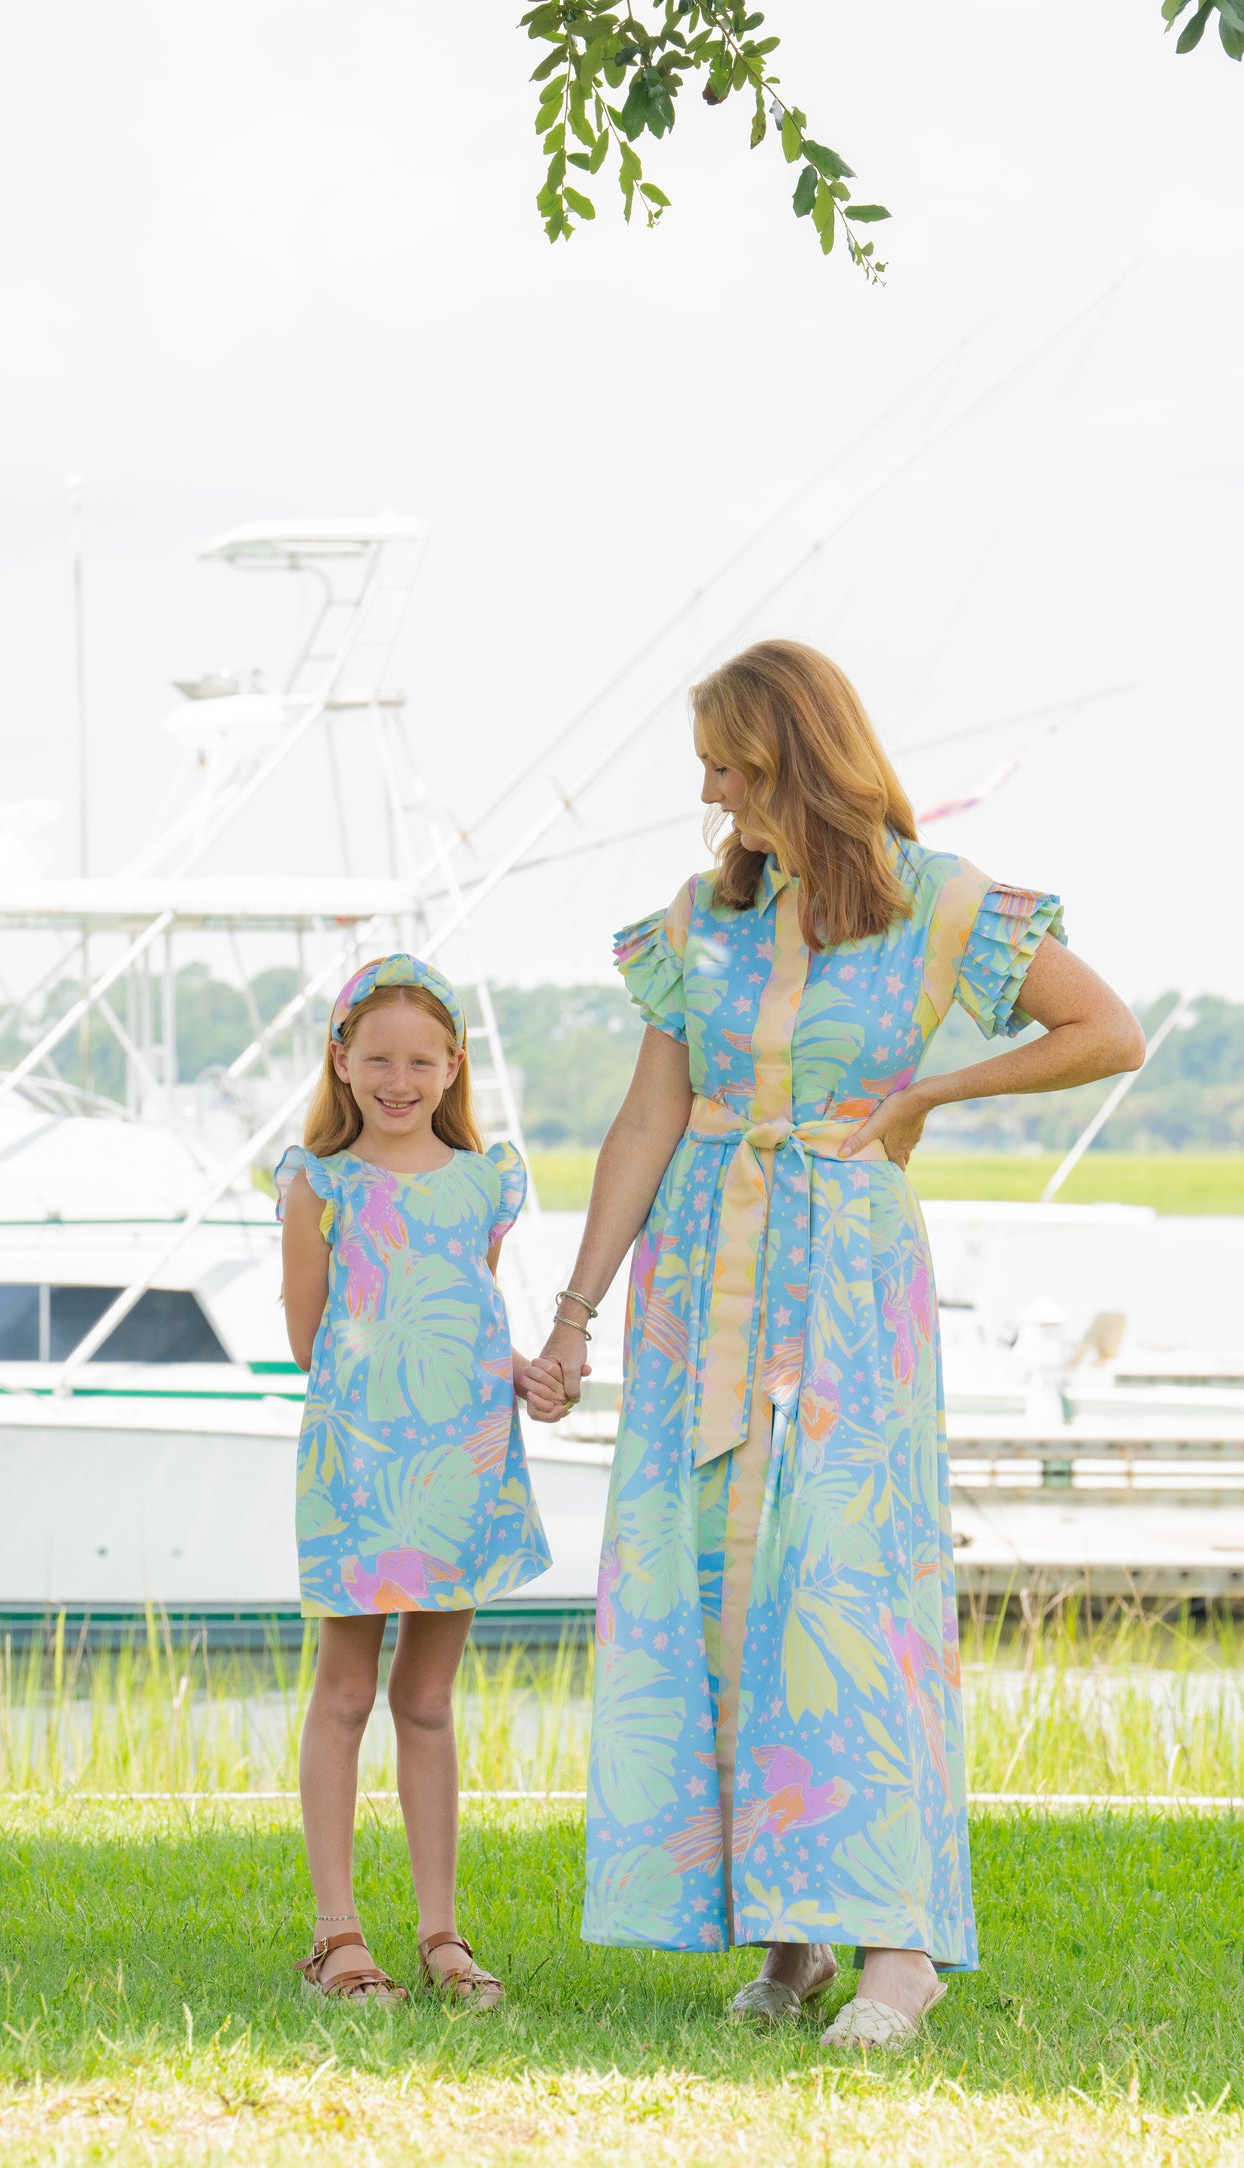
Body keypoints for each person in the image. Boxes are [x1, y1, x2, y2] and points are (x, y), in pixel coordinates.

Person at [524, 640, 1143, 2051]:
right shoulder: (703, 917)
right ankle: (790, 1938)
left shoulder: (939, 902)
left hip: (846, 1281)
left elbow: (1105, 1031)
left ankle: (896, 1952)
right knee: (723, 1586)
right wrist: (572, 1314)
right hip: (699, 1282)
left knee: (843, 1590)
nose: (707, 791)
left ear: (795, 756)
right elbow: (647, 1120)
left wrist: (928, 1094)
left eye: (728, 765)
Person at [277, 953, 552, 2008]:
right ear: (341, 1061)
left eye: (421, 1061)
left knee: (428, 1699)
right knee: (346, 1690)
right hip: (359, 1468)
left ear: (453, 1066)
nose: (399, 1080)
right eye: (379, 1059)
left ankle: (442, 1932)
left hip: (460, 1471)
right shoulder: (320, 1183)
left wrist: (520, 1370)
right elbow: (311, 1337)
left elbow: (464, 1314)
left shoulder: (486, 1181)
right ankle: (336, 1936)